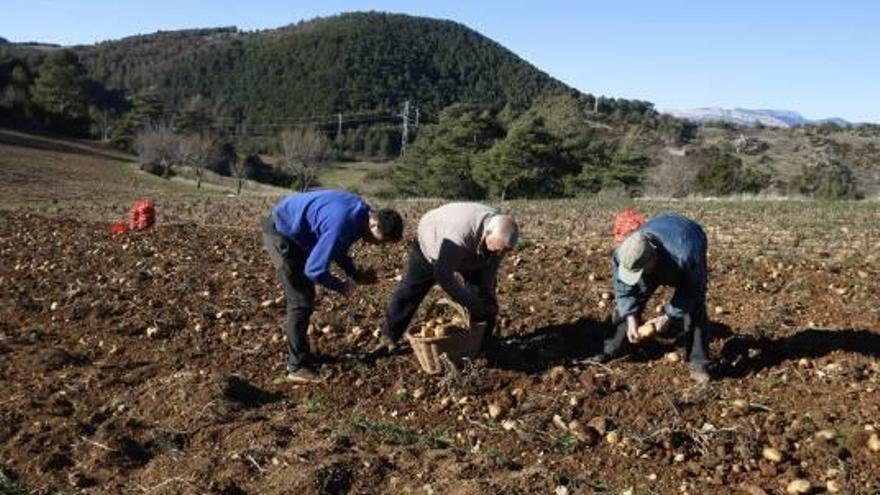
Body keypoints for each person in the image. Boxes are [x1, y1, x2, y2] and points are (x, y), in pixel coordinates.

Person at [261, 190, 403, 383]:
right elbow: (315, 270)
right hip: (282, 232)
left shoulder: (360, 213)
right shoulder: (344, 224)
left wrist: (354, 273)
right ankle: (296, 367)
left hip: (298, 232)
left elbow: (337, 248)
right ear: (375, 224)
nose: (379, 245)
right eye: (382, 240)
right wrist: (342, 287)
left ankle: (302, 356)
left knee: (305, 297)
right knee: (300, 300)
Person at [378, 202, 519, 354]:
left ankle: (482, 342)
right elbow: (443, 275)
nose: (499, 254)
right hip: (433, 244)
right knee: (411, 290)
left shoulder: (501, 240)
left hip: (473, 253)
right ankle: (389, 337)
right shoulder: (459, 234)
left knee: (483, 297)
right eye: (497, 250)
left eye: (502, 251)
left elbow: (489, 272)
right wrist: (469, 302)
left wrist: (484, 297)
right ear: (487, 233)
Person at [594, 213, 713, 383]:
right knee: (636, 294)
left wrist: (669, 316)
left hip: (690, 237)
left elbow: (692, 292)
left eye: (641, 272)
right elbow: (623, 289)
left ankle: (698, 362)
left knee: (695, 308)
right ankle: (611, 347)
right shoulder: (624, 253)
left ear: (654, 258)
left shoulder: (686, 257)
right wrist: (631, 318)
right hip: (660, 233)